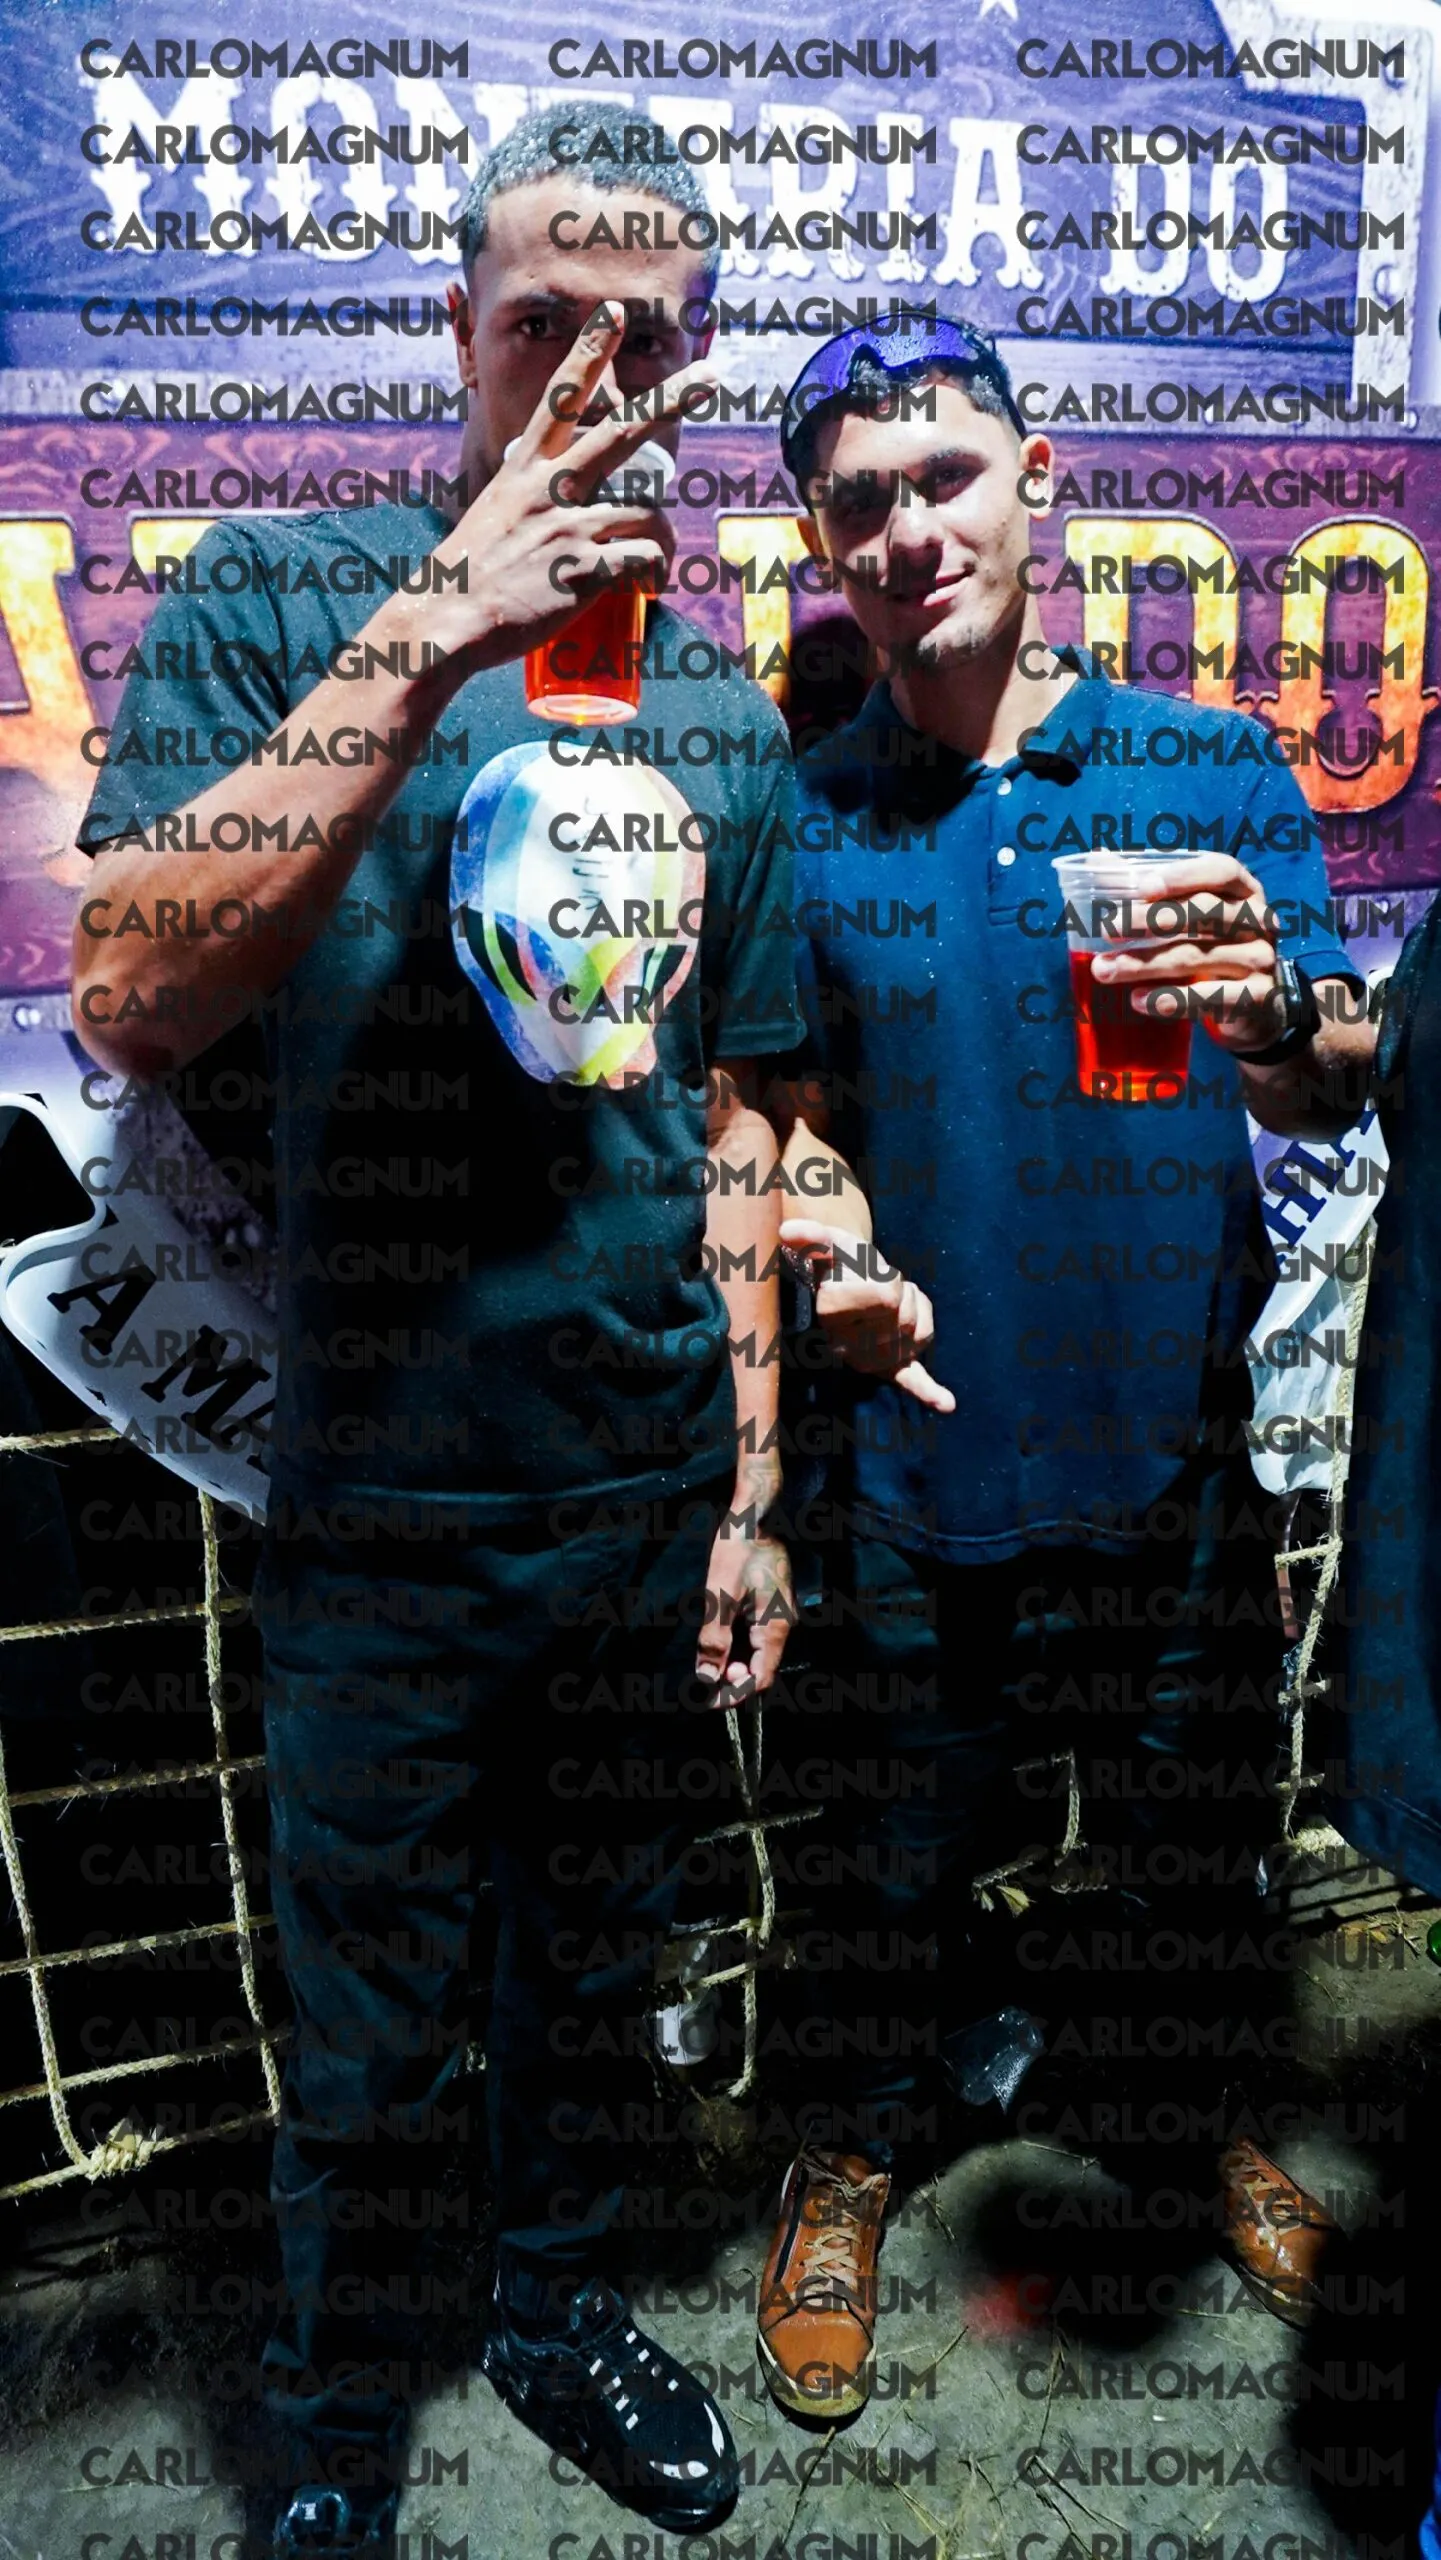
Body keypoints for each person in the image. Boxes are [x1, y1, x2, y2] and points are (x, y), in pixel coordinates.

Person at [70, 103, 803, 2552]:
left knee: (593, 1979)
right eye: (539, 326)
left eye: (643, 341)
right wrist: (431, 632)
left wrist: (753, 1487)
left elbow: (737, 1126)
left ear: (696, 365)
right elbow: (128, 993)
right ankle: (331, 2430)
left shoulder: (721, 718)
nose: (592, 379)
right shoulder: (285, 591)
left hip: (637, 1480)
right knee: (372, 2037)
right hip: (382, 1496)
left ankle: (559, 2305)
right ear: (453, 333)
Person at [751, 312, 1376, 2421]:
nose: (911, 531)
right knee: (882, 1868)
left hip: (1173, 1455)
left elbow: (1323, 1073)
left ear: (1039, 480)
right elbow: (781, 1121)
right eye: (862, 502)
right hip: (913, 1465)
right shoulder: (806, 816)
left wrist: (1270, 1006)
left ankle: (1191, 2127)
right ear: (822, 548)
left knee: (1191, 1851)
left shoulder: (1206, 768)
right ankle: (846, 2161)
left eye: (946, 477)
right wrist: (827, 1229)